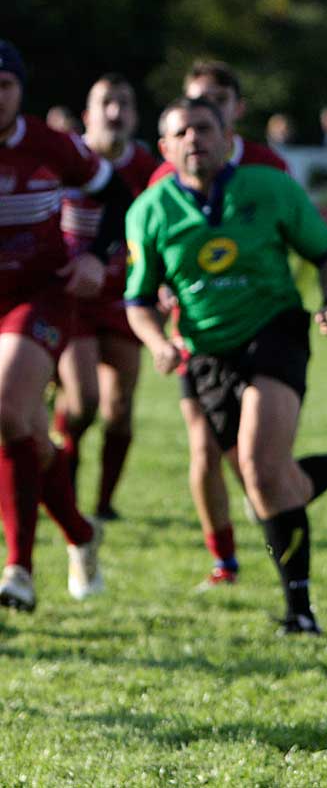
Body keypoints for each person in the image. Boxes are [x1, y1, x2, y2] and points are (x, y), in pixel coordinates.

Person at [125, 96, 327, 634]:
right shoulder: (149, 211)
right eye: (181, 132)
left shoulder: (271, 189)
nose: (194, 140)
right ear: (164, 147)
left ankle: (300, 614)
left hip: (273, 332)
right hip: (205, 354)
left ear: (228, 135)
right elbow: (136, 300)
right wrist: (156, 341)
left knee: (258, 467)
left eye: (204, 129)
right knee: (276, 484)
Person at [0, 40, 137, 610]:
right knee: (29, 431)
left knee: (7, 409)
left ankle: (19, 572)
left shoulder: (48, 144)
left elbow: (118, 191)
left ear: (20, 90)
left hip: (39, 295)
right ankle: (80, 533)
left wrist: (94, 255)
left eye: (4, 84)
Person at [150, 60, 290, 588]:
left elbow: (292, 242)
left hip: (263, 329)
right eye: (192, 104)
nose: (198, 120)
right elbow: (155, 254)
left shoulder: (267, 169)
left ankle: (287, 516)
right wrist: (163, 290)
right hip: (195, 333)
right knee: (205, 447)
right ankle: (225, 561)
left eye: (215, 102)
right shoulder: (165, 177)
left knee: (257, 460)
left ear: (236, 110)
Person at [54, 74, 158, 522]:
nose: (115, 112)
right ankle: (65, 476)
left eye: (125, 103)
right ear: (87, 115)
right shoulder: (63, 158)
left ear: (134, 114)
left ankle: (103, 504)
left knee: (119, 409)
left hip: (123, 298)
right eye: (106, 103)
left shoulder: (146, 167)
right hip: (69, 296)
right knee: (84, 401)